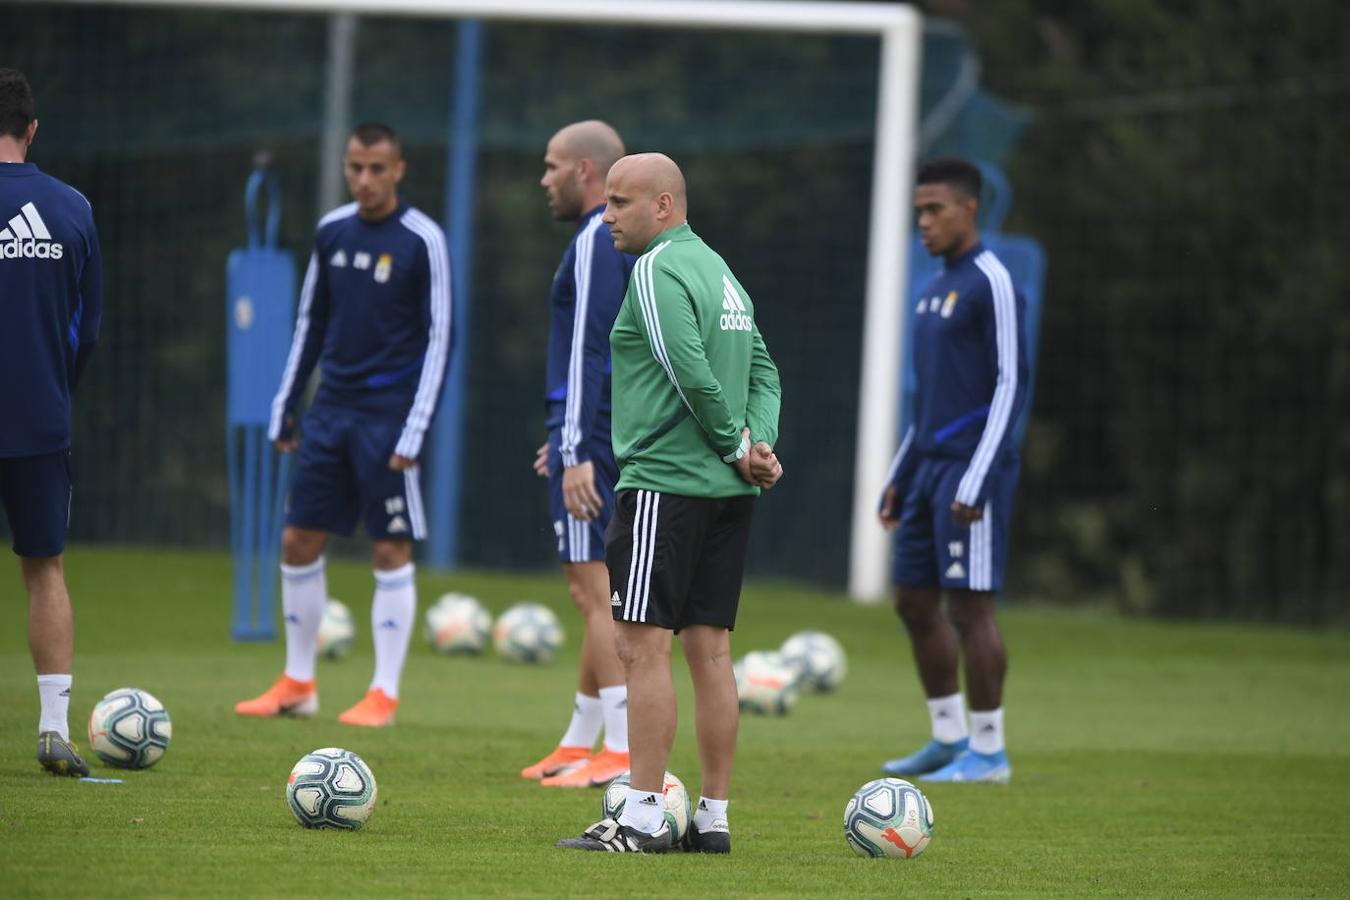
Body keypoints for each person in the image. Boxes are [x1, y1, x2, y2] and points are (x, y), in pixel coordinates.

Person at [557, 153, 783, 854]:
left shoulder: (655, 269)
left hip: (668, 482)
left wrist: (731, 443)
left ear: (663, 206)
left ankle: (646, 817)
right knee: (711, 653)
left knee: (640, 647)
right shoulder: (722, 272)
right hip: (727, 492)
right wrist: (757, 446)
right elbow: (766, 370)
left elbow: (687, 370)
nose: (607, 214)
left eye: (621, 202)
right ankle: (711, 819)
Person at [235, 122, 452, 728]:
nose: (365, 179)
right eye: (356, 167)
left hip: (389, 416)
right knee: (298, 538)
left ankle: (383, 693)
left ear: (399, 169)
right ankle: (297, 682)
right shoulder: (332, 231)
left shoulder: (422, 239)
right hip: (330, 410)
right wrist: (287, 402)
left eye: (377, 168)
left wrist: (416, 428)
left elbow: (441, 339)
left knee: (390, 545)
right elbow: (310, 322)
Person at [878, 157, 1028, 783]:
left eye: (934, 209)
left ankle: (988, 751)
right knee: (914, 602)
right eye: (918, 211)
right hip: (928, 471)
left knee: (971, 609)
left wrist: (978, 477)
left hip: (972, 471)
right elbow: (928, 399)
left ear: (970, 209)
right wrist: (898, 473)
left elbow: (1010, 384)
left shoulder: (993, 281)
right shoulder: (931, 290)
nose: (923, 222)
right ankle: (947, 737)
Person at [521, 121, 637, 788]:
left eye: (552, 165)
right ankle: (579, 739)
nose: (544, 179)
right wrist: (567, 432)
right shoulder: (606, 241)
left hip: (591, 439)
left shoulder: (597, 240)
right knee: (592, 590)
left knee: (596, 593)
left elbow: (589, 349)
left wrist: (576, 444)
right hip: (591, 430)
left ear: (587, 172)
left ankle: (619, 753)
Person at [0, 68, 103, 776]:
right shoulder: (71, 209)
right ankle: (53, 730)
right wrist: (52, 392)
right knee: (45, 569)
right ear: (32, 129)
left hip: (38, 410)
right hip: (38, 416)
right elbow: (86, 328)